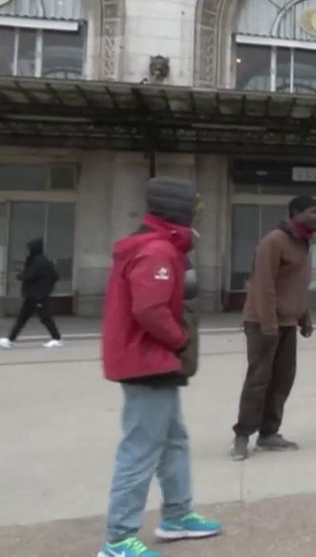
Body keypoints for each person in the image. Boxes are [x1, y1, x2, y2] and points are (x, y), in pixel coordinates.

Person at [99, 177, 222, 557]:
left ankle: (177, 515)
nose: (198, 213)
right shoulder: (157, 250)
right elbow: (149, 309)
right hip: (147, 361)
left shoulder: (161, 245)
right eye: (194, 206)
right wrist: (179, 340)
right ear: (180, 210)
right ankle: (119, 539)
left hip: (154, 361)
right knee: (140, 449)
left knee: (173, 440)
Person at [230, 195, 316, 461]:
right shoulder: (274, 241)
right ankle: (242, 435)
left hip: (287, 324)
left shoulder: (302, 243)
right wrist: (269, 326)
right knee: (259, 380)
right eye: (313, 212)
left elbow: (297, 285)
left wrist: (304, 317)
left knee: (282, 380)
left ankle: (269, 433)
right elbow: (263, 285)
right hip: (263, 323)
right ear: (296, 213)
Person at [1, 238, 62, 348]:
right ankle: (10, 339)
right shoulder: (44, 260)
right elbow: (55, 276)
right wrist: (47, 287)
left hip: (35, 295)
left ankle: (56, 338)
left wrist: (20, 276)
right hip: (38, 294)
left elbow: (30, 275)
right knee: (30, 318)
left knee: (39, 318)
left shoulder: (38, 261)